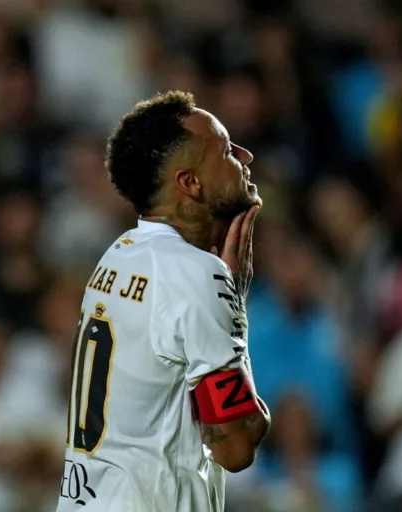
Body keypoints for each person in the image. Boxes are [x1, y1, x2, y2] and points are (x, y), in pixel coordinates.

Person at [56, 91, 271, 512]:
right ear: (190, 183)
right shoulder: (195, 273)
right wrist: (234, 307)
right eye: (227, 151)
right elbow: (236, 447)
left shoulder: (117, 255)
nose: (245, 157)